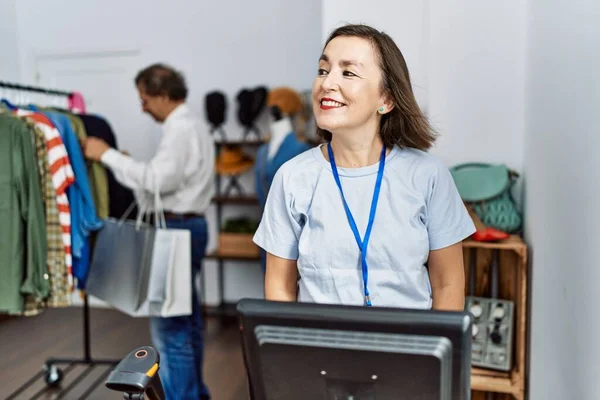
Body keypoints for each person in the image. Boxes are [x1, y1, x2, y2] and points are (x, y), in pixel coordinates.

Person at [253, 24, 476, 311]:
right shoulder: (292, 177)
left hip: (409, 350)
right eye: (323, 70)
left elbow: (448, 283)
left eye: (348, 72)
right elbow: (280, 287)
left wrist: (438, 352)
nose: (326, 83)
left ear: (386, 99)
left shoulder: (428, 176)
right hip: (320, 351)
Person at [84, 63, 214, 400]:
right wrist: (128, 165)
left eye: (144, 99)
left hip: (176, 227)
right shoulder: (193, 125)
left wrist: (107, 155)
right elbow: (161, 181)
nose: (142, 107)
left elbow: (156, 181)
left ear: (163, 95)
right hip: (189, 225)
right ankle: (195, 394)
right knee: (186, 323)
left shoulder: (180, 129)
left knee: (171, 330)